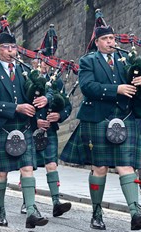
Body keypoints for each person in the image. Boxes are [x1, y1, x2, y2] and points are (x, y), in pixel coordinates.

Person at [0, 32, 51, 229]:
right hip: (1, 127)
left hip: (23, 127)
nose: (11, 51)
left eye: (13, 47)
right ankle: (1, 209)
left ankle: (31, 210)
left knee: (27, 168)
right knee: (1, 173)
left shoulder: (25, 70)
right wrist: (17, 108)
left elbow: (42, 90)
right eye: (6, 47)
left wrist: (44, 99)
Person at [60, 26, 141, 230]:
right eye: (105, 39)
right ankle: (96, 212)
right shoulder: (88, 61)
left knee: (127, 166)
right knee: (100, 167)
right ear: (97, 42)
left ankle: (135, 212)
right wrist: (117, 89)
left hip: (124, 117)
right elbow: (87, 87)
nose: (110, 42)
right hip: (97, 118)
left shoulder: (126, 60)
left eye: (112, 38)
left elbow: (134, 84)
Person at [20, 61, 72, 216]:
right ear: (35, 61)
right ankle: (26, 202)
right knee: (27, 167)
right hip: (30, 130)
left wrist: (59, 116)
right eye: (41, 61)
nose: (45, 65)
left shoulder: (56, 81)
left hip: (48, 131)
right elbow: (20, 104)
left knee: (52, 165)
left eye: (48, 61)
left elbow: (67, 105)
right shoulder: (27, 78)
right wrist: (35, 120)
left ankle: (56, 202)